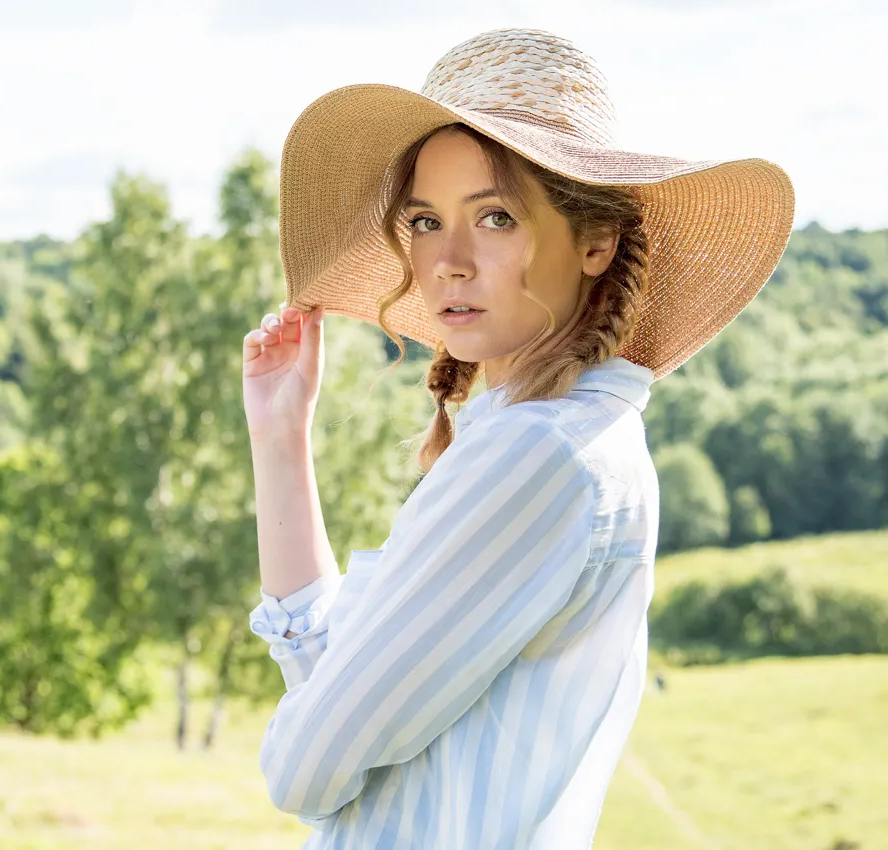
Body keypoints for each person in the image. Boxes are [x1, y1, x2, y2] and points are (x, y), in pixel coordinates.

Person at [240, 27, 794, 849]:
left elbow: (303, 770)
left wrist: (304, 734)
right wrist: (281, 437)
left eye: (494, 217)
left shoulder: (539, 455)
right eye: (424, 221)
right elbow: (333, 693)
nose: (448, 262)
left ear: (596, 242)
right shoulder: (561, 441)